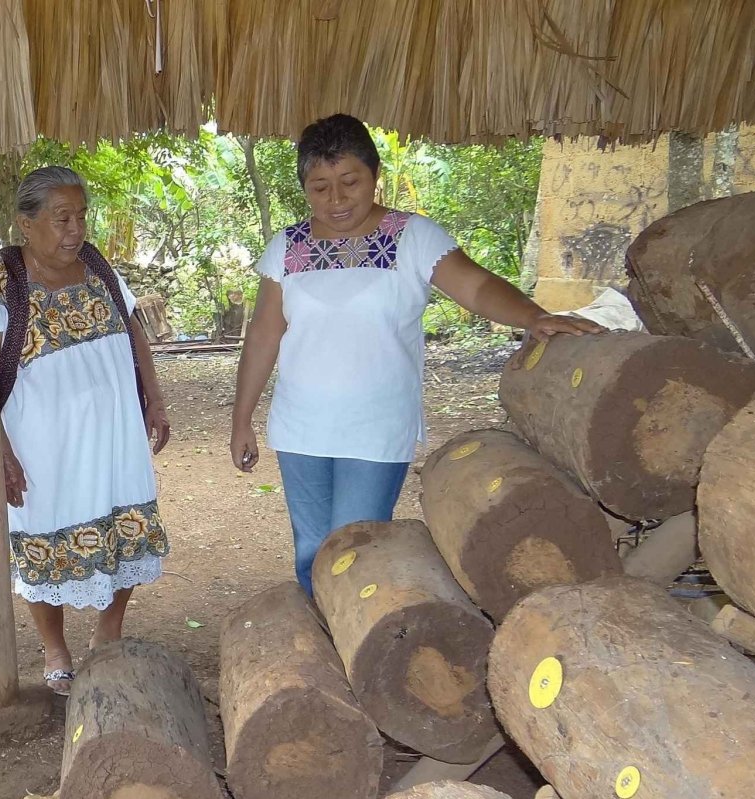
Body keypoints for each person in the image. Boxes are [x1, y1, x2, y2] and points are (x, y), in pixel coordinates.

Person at [230, 114, 599, 595]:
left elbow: (477, 286)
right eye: (320, 187)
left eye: (349, 182)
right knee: (311, 553)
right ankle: (319, 654)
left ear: (374, 174)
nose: (336, 200)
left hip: (376, 427)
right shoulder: (287, 247)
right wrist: (242, 419)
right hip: (300, 426)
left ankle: (359, 652)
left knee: (357, 551)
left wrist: (531, 316)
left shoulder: (413, 236)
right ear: (304, 188)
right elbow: (263, 333)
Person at [0, 167, 172, 695]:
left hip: (114, 433)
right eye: (61, 218)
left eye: (80, 216)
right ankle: (54, 646)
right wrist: (1, 451)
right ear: (26, 224)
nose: (75, 230)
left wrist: (155, 401)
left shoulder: (98, 266)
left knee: (126, 526)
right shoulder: (4, 282)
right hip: (43, 441)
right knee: (44, 534)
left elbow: (134, 331)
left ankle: (108, 634)